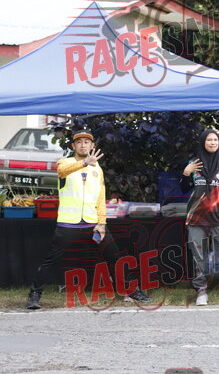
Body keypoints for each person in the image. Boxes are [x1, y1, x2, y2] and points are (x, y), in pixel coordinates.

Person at [26, 131, 152, 310]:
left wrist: (102, 223)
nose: (83, 145)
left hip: (93, 223)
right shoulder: (65, 162)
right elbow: (62, 172)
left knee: (114, 256)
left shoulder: (97, 169)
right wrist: (84, 162)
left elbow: (100, 198)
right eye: (79, 142)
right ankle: (34, 295)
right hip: (68, 223)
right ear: (73, 146)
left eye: (87, 142)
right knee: (51, 260)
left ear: (92, 146)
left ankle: (131, 291)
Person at [180, 129, 219, 306]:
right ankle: (201, 292)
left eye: (215, 139)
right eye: (209, 140)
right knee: (198, 256)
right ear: (203, 142)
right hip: (196, 218)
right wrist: (186, 173)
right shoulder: (194, 164)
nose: (213, 142)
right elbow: (184, 188)